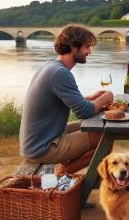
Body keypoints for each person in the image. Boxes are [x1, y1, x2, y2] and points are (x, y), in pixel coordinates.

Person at [19, 25, 113, 176]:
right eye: (87, 46)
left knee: (93, 127)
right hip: (42, 147)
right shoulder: (60, 73)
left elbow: (63, 101)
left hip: (39, 140)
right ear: (72, 47)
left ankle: (68, 172)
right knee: (104, 138)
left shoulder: (51, 66)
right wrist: (104, 98)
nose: (89, 52)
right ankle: (63, 172)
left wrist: (88, 99)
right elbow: (85, 112)